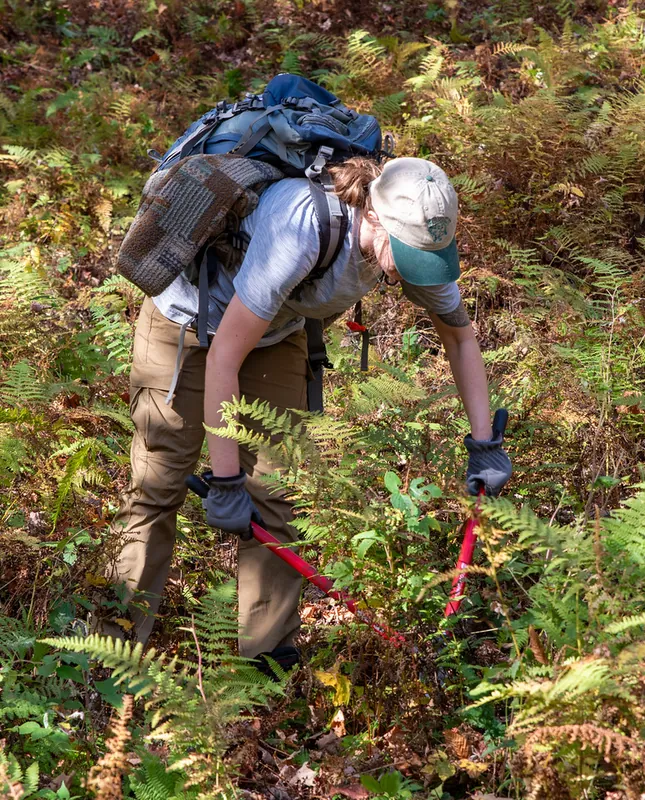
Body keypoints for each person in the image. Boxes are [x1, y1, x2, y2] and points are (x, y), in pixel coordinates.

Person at [106, 156, 512, 666]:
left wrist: (484, 445)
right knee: (159, 485)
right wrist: (227, 479)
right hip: (188, 326)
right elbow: (223, 360)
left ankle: (265, 666)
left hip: (276, 332)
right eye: (409, 254)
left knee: (277, 491)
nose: (418, 269)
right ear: (376, 218)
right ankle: (112, 653)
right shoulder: (300, 228)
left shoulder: (415, 242)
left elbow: (459, 336)